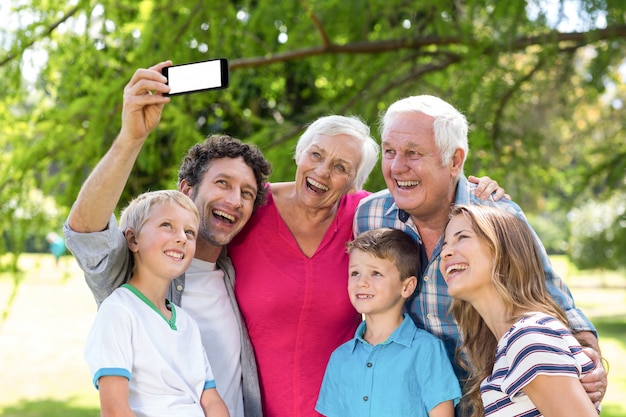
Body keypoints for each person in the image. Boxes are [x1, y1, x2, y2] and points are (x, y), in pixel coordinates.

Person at [228, 114, 503, 417]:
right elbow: (190, 224)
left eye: (340, 167)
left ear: (354, 182)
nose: (322, 171)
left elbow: (428, 191)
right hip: (253, 407)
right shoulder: (248, 207)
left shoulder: (366, 216)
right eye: (316, 154)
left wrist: (481, 193)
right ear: (299, 153)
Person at [353, 94, 608, 410]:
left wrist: (588, 358)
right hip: (414, 403)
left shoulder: (496, 214)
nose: (396, 166)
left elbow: (552, 300)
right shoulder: (368, 216)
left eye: (413, 153)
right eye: (389, 151)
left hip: (493, 398)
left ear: (455, 160)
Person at [64, 61, 271, 417]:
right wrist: (132, 137)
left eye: (248, 193)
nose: (235, 200)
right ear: (186, 191)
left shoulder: (239, 272)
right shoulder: (131, 274)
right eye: (222, 183)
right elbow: (87, 232)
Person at [440, 205, 600, 416]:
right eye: (445, 244)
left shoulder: (529, 337)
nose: (445, 252)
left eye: (462, 237)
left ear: (503, 252)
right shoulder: (511, 342)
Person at [84, 190, 230, 417]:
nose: (182, 237)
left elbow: (211, 401)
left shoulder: (186, 322)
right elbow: (115, 411)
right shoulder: (119, 312)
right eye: (167, 225)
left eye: (189, 232)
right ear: (133, 240)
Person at [316, 228, 461, 417]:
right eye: (355, 273)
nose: (361, 282)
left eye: (376, 273)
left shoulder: (427, 350)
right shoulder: (340, 358)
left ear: (407, 287)